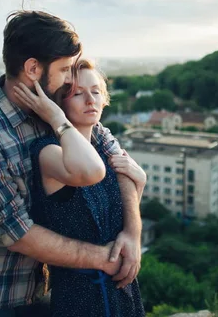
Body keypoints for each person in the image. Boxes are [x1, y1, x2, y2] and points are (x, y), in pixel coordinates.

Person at [0, 10, 144, 316]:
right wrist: (104, 258)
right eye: (63, 69)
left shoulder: (55, 106)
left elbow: (117, 160)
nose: (68, 80)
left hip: (40, 291)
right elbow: (18, 234)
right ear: (33, 68)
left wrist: (132, 233)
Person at [14, 59, 146, 316]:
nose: (90, 100)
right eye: (77, 93)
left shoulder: (104, 147)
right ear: (59, 102)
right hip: (80, 299)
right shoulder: (48, 152)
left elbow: (115, 216)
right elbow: (89, 170)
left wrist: (138, 186)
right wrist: (56, 118)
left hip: (122, 292)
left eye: (96, 91)